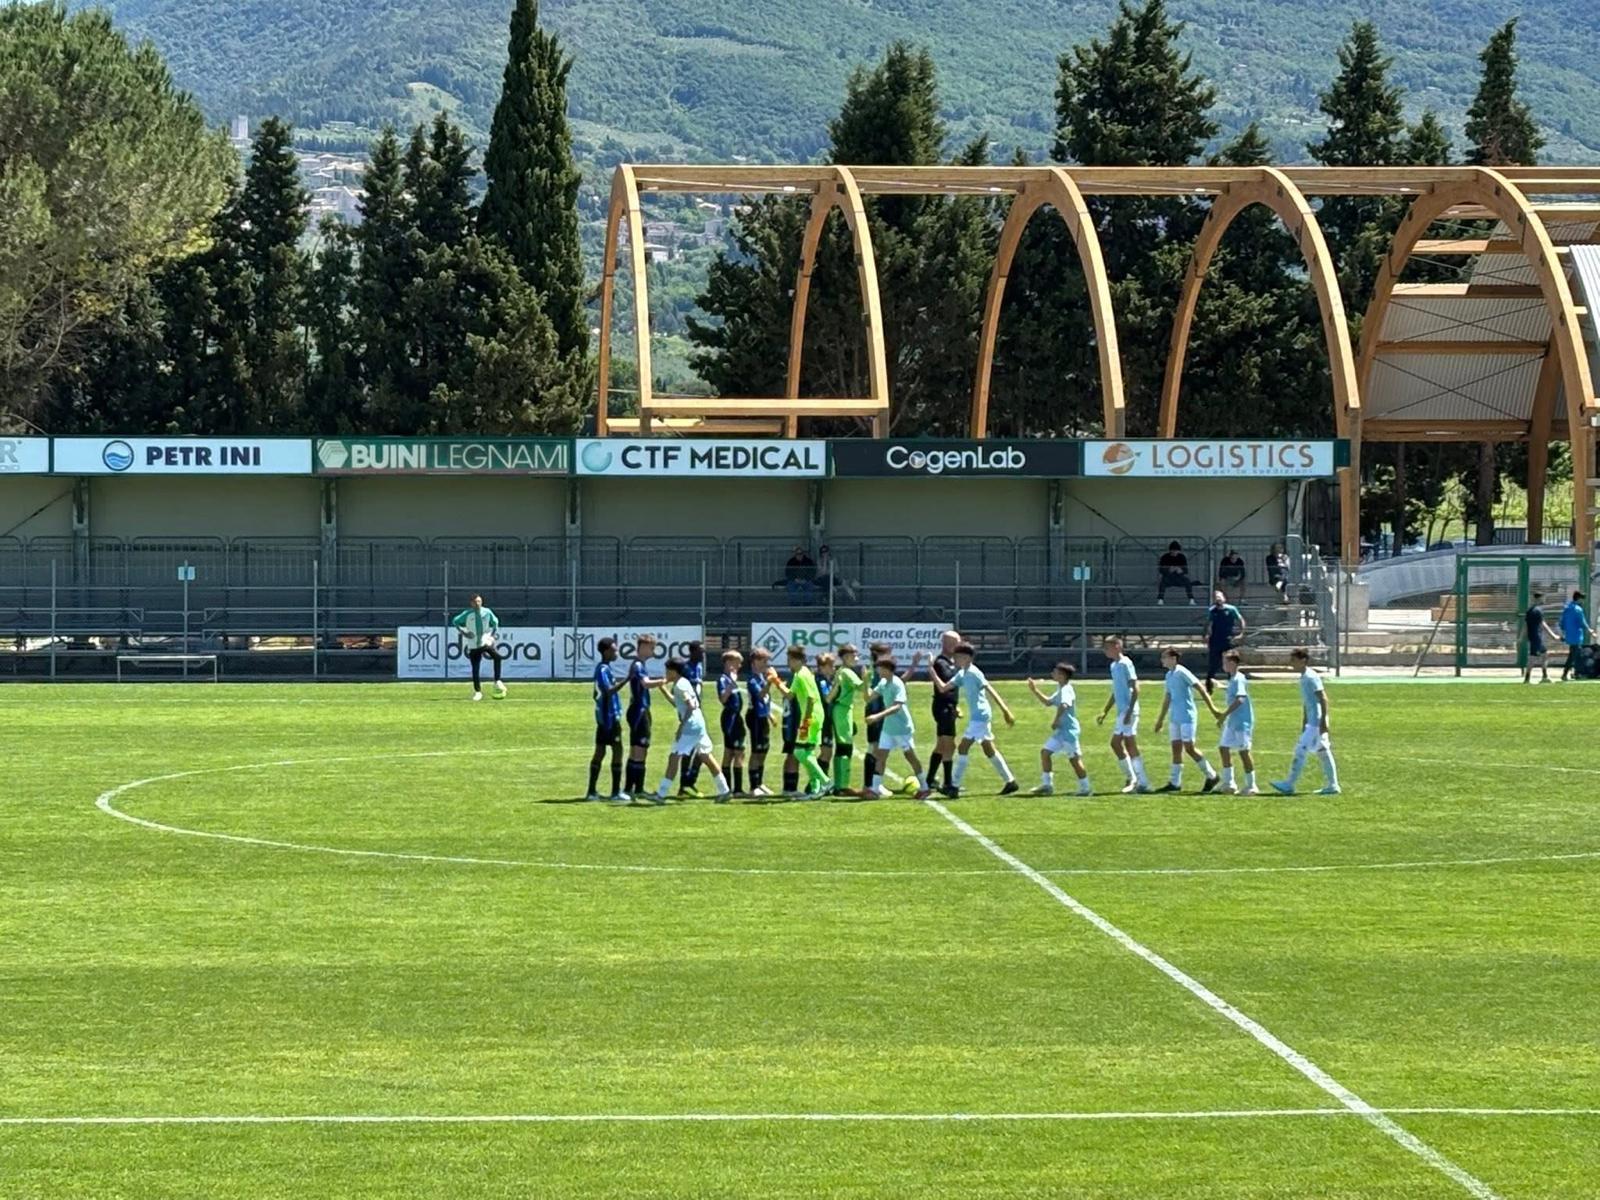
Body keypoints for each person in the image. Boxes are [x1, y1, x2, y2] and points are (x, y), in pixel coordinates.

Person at [931, 641, 1018, 797]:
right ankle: (1010, 782)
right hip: (979, 717)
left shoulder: (974, 673)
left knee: (963, 748)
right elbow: (943, 688)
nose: (955, 659)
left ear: (968, 658)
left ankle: (953, 787)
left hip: (981, 716)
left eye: (958, 657)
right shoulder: (962, 673)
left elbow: (990, 689)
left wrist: (1005, 710)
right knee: (989, 749)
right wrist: (932, 671)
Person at [652, 658, 732, 804]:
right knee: (706, 756)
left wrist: (681, 727)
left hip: (691, 727)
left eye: (667, 671)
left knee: (674, 758)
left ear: (673, 672)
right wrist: (662, 687)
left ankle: (661, 794)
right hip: (699, 724)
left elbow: (690, 705)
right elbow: (678, 703)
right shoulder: (683, 682)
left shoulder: (680, 686)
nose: (666, 674)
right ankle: (725, 790)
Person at [1271, 648, 1340, 796]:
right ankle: (1333, 785)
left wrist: (1323, 722)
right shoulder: (1303, 678)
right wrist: (1304, 721)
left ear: (1303, 660)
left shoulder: (1311, 677)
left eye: (1294, 660)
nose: (1291, 664)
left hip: (1316, 722)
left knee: (1300, 750)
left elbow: (1323, 698)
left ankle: (1289, 784)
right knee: (1323, 752)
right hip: (1312, 722)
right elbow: (1307, 702)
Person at [1152, 648, 1222, 793]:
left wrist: (1213, 709)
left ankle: (1212, 775)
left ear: (1173, 658)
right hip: (1175, 717)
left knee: (1189, 748)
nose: (1162, 660)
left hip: (1187, 716)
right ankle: (1174, 782)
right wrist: (1160, 719)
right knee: (1176, 749)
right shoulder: (1169, 675)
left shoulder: (1182, 672)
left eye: (1164, 657)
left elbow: (1200, 688)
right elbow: (1168, 698)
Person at [865, 656, 930, 799]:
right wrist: (865, 682)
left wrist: (877, 716)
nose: (878, 671)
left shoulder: (897, 684)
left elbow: (897, 706)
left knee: (910, 756)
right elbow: (868, 698)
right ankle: (875, 789)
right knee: (881, 756)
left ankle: (925, 787)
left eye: (880, 668)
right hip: (888, 728)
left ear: (888, 669)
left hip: (902, 728)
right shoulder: (883, 683)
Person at [1096, 636, 1151, 794]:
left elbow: (1136, 688)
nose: (1105, 650)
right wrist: (1105, 711)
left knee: (1129, 744)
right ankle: (1133, 777)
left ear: (1117, 647)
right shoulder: (1114, 666)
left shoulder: (1126, 663)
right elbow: (1116, 691)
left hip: (1129, 711)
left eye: (1108, 647)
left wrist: (1129, 711)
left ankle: (1142, 781)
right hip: (1122, 712)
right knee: (1116, 744)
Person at [1027, 664, 1091, 797]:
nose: (1052, 674)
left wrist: (1056, 720)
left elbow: (1064, 705)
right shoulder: (1060, 689)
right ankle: (1047, 785)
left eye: (1055, 672)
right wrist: (1035, 690)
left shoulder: (1067, 689)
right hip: (1061, 732)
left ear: (1062, 675)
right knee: (1045, 752)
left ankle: (1086, 788)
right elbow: (1048, 702)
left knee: (1074, 759)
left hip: (1069, 732)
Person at [587, 637, 628, 802]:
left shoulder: (604, 669)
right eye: (614, 650)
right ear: (606, 652)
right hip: (608, 718)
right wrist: (627, 679)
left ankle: (592, 792)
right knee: (617, 751)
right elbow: (608, 691)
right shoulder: (602, 670)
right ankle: (615, 792)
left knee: (600, 751)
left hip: (605, 717)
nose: (616, 653)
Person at [785, 646, 830, 798]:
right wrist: (775, 681)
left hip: (811, 717)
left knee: (798, 751)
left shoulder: (801, 675)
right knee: (809, 752)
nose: (788, 663)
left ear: (795, 660)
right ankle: (816, 789)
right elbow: (790, 695)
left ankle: (825, 781)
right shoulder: (803, 673)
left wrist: (806, 721)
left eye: (789, 660)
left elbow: (811, 698)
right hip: (816, 715)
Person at [821, 645, 865, 794]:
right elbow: (861, 687)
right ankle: (843, 786)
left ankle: (840, 785)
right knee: (845, 748)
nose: (857, 659)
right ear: (846, 657)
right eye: (854, 656)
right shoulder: (847, 672)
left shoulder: (842, 671)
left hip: (842, 710)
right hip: (842, 710)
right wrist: (868, 677)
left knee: (842, 748)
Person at [623, 633, 661, 798]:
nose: (653, 651)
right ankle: (635, 789)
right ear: (643, 647)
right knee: (639, 750)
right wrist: (664, 680)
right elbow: (645, 684)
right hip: (639, 710)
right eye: (652, 648)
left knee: (636, 750)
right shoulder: (638, 665)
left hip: (639, 709)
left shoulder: (639, 665)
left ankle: (632, 789)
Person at [1214, 651, 1257, 795]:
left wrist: (1224, 714)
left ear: (1232, 663)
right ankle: (1229, 783)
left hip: (1242, 722)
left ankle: (1252, 785)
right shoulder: (1233, 679)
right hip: (1233, 722)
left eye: (1225, 662)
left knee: (1244, 752)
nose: (1223, 665)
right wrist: (1222, 687)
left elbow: (1240, 699)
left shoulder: (1239, 679)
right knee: (1223, 748)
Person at [449, 594, 505, 701]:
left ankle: (497, 680)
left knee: (497, 657)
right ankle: (478, 692)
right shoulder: (467, 614)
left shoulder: (487, 612)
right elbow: (455, 622)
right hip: (473, 645)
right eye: (476, 602)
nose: (478, 603)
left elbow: (495, 623)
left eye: (479, 601)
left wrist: (492, 637)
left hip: (485, 642)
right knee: (476, 669)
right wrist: (464, 632)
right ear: (471, 603)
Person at [927, 631, 960, 793]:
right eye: (957, 642)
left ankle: (930, 778)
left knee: (941, 745)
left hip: (949, 707)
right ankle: (948, 783)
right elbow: (948, 683)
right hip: (943, 708)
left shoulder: (950, 662)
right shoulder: (941, 663)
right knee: (949, 745)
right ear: (948, 644)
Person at [1202, 590, 1246, 693]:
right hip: (1215, 640)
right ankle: (1209, 689)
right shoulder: (1212, 611)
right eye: (1216, 597)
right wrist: (1205, 635)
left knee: (1231, 662)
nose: (1218, 598)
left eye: (1219, 596)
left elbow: (1240, 620)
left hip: (1228, 639)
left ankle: (1233, 685)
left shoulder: (1231, 609)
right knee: (1213, 664)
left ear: (1224, 598)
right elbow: (1207, 623)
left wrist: (1241, 633)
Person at [745, 648, 775, 797]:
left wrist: (770, 714)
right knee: (756, 751)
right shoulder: (752, 679)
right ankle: (753, 786)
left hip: (763, 717)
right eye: (763, 661)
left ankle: (760, 783)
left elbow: (766, 699)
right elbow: (760, 695)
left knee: (764, 749)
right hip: (755, 717)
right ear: (755, 662)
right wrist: (770, 682)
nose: (766, 664)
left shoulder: (761, 677)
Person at [679, 641, 707, 796]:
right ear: (692, 652)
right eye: (700, 652)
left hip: (698, 713)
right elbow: (680, 690)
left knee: (701, 749)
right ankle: (684, 784)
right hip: (689, 714)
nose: (703, 655)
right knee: (690, 749)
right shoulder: (685, 668)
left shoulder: (699, 667)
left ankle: (689, 782)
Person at [718, 650, 747, 796]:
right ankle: (736, 789)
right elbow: (723, 699)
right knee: (737, 752)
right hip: (731, 718)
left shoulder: (728, 679)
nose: (740, 666)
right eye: (737, 663)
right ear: (729, 663)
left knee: (729, 752)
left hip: (735, 717)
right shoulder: (724, 680)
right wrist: (732, 683)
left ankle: (727, 788)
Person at [1523, 593, 1561, 685]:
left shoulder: (1529, 610)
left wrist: (1522, 637)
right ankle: (1527, 679)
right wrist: (1553, 635)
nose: (1544, 599)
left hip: (1533, 636)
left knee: (1544, 655)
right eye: (1543, 598)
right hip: (1537, 637)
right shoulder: (1538, 611)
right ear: (1539, 598)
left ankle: (1544, 676)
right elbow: (1543, 624)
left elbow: (1525, 626)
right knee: (1533, 658)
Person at [1559, 590, 1593, 682]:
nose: (1582, 601)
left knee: (1573, 655)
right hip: (1576, 636)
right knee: (1576, 655)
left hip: (1569, 635)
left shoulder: (1567, 608)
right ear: (1578, 599)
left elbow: (1561, 622)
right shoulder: (1578, 609)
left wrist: (1563, 633)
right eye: (1582, 599)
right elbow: (1582, 622)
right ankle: (1575, 674)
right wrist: (1589, 630)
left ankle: (1567, 673)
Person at [1157, 541, 1195, 606]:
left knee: (1187, 581)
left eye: (1176, 551)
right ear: (1170, 550)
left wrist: (1180, 570)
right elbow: (1160, 570)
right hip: (1168, 577)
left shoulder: (1182, 557)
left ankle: (1191, 599)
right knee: (1162, 583)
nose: (1175, 552)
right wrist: (1168, 570)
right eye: (1173, 550)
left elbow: (1186, 570)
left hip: (1179, 577)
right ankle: (1160, 599)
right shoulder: (1165, 557)